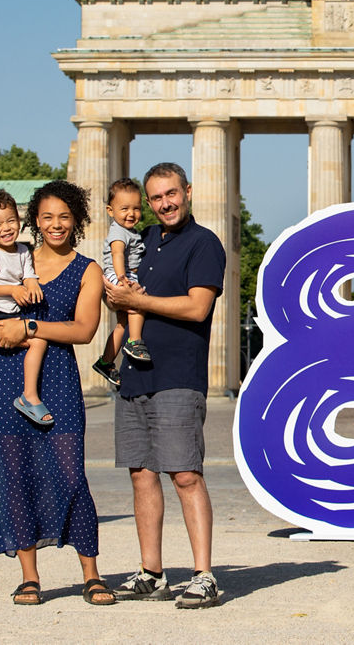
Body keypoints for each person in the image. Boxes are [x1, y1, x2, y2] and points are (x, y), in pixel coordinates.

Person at [0, 180, 115, 607]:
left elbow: (84, 331)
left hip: (58, 380)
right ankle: (29, 577)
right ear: (34, 219)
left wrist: (29, 326)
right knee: (14, 476)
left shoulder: (87, 269)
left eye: (64, 217)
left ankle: (91, 574)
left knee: (71, 476)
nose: (55, 224)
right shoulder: (15, 255)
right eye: (47, 216)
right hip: (6, 376)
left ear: (76, 220)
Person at [105, 162, 225, 608]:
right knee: (141, 473)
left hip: (178, 374)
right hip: (135, 373)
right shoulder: (141, 240)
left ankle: (203, 574)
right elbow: (120, 290)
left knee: (186, 474)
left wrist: (139, 300)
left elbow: (197, 308)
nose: (164, 204)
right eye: (155, 198)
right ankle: (152, 572)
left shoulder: (204, 243)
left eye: (171, 194)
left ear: (187, 191)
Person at [0, 190, 51, 424]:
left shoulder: (23, 251)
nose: (6, 228)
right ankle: (28, 397)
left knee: (12, 359)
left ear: (19, 221)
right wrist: (13, 290)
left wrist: (31, 282)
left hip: (14, 314)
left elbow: (28, 274)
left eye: (10, 221)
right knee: (37, 341)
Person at [92, 178, 149, 389]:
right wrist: (122, 277)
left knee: (121, 325)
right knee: (138, 304)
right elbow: (117, 253)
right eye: (124, 209)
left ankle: (105, 362)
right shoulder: (118, 231)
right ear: (110, 210)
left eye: (136, 208)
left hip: (120, 274)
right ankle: (134, 342)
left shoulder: (129, 231)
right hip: (120, 275)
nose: (131, 214)